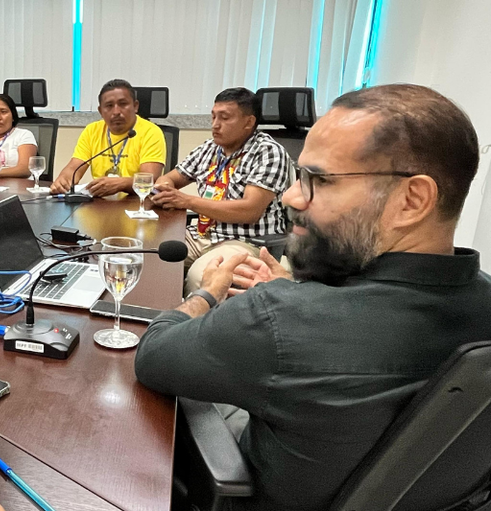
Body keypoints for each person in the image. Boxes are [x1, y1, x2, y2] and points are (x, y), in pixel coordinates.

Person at [134, 84, 491, 511]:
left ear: (411, 200)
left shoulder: (277, 319)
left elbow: (153, 355)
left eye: (319, 180)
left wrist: (208, 295)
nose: (290, 196)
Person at [150, 88, 291, 295]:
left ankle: (194, 325)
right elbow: (170, 178)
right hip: (204, 234)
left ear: (248, 122)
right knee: (151, 257)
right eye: (213, 116)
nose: (215, 125)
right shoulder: (210, 148)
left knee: (201, 277)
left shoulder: (269, 152)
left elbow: (249, 211)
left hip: (245, 242)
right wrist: (164, 188)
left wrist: (188, 201)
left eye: (224, 118)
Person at [49, 79, 166, 197]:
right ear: (100, 111)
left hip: (137, 204)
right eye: (109, 106)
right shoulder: (92, 130)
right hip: (100, 204)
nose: (116, 111)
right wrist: (63, 181)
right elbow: (74, 168)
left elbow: (149, 180)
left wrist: (121, 184)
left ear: (135, 106)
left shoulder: (151, 132)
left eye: (123, 104)